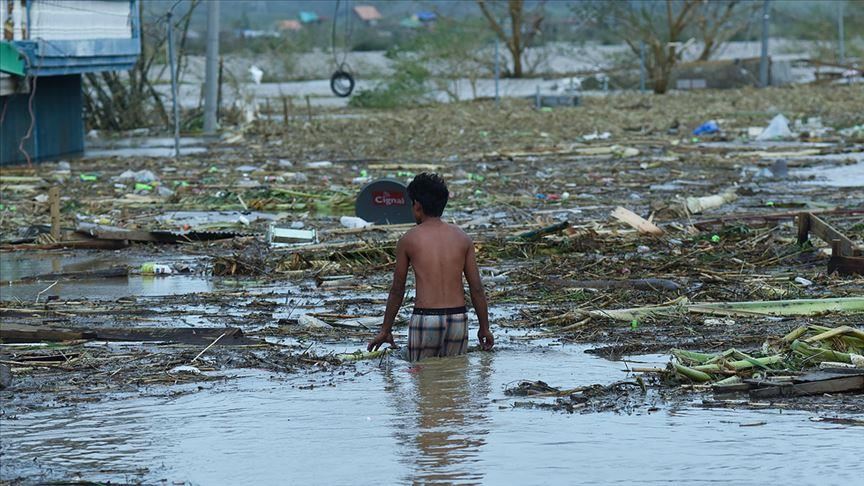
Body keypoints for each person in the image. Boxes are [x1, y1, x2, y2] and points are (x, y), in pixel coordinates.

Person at [368, 173, 493, 361]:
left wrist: (385, 330)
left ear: (417, 206)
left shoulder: (409, 239)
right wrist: (484, 327)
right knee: (454, 374)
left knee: (422, 375)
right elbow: (476, 288)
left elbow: (397, 290)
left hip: (426, 319)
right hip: (458, 319)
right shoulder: (462, 238)